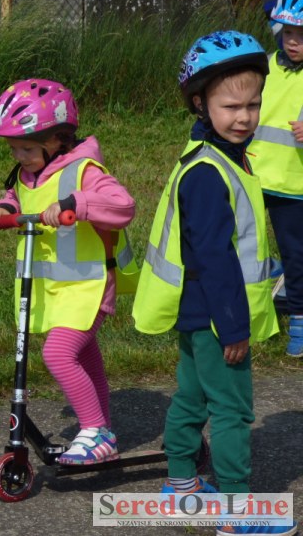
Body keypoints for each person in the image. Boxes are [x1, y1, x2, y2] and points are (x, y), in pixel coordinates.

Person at [132, 30, 295, 536]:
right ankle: (236, 512)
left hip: (196, 310)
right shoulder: (209, 172)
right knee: (231, 411)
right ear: (200, 103)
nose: (244, 117)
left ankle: (181, 483)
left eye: (253, 104)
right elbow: (215, 259)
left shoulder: (215, 155)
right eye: (231, 106)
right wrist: (233, 328)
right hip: (219, 316)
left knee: (192, 398)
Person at [0, 79, 139, 465]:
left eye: (26, 148)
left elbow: (124, 206)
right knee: (85, 356)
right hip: (56, 288)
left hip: (88, 286)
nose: (18, 156)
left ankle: (95, 430)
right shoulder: (28, 173)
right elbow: (22, 196)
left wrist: (77, 204)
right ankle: (103, 429)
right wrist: (5, 207)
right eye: (13, 149)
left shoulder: (84, 171)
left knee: (58, 353)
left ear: (57, 139)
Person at [251, 0, 303, 357]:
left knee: (296, 255)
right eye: (288, 33)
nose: (292, 42)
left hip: (294, 186)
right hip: (254, 175)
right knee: (246, 245)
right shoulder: (272, 58)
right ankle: (264, 295)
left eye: (301, 36)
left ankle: (299, 321)